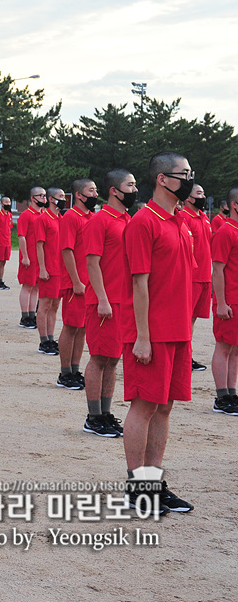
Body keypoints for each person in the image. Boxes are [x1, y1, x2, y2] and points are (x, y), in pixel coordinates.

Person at [121, 151, 196, 513]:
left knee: (164, 407)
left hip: (178, 329)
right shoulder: (144, 221)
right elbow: (140, 283)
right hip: (151, 332)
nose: (189, 179)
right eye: (183, 174)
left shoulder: (180, 219)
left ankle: (154, 481)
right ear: (163, 179)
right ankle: (137, 486)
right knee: (145, 405)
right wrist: (143, 335)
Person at [79, 169, 137, 436]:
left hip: (123, 302)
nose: (134, 190)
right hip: (103, 302)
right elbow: (92, 262)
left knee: (114, 360)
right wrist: (102, 299)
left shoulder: (128, 219)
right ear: (114, 190)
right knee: (99, 358)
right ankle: (93, 416)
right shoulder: (100, 220)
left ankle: (105, 412)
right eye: (130, 185)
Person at [56, 179, 97, 388]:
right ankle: (65, 373)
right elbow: (66, 250)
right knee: (71, 326)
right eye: (91, 190)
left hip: (89, 283)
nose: (95, 194)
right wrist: (76, 281)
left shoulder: (91, 217)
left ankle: (75, 368)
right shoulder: (71, 217)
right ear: (79, 195)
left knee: (82, 328)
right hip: (76, 283)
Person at [210, 188, 238, 415]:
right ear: (235, 205)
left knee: (235, 349)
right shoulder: (226, 231)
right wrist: (220, 303)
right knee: (223, 347)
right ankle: (222, 397)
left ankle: (231, 392)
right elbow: (217, 270)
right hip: (229, 299)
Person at [182, 185, 212, 372]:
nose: (203, 196)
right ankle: (185, 357)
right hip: (191, 277)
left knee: (192, 320)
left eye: (203, 192)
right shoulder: (185, 217)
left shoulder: (204, 217)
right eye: (199, 194)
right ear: (189, 198)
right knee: (185, 319)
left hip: (204, 277)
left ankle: (187, 355)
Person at [34, 188, 65, 356]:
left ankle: (50, 338)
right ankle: (43, 340)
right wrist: (43, 268)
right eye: (60, 196)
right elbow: (39, 245)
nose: (63, 199)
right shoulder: (43, 219)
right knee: (45, 305)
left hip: (60, 269)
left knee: (55, 305)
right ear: (52, 199)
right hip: (49, 269)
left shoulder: (61, 218)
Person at [17, 188, 45, 328]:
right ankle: (24, 316)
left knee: (36, 287)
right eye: (41, 196)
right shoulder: (26, 215)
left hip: (40, 258)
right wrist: (25, 256)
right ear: (33, 198)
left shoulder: (43, 214)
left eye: (45, 196)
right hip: (30, 256)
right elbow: (21, 236)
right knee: (27, 286)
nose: (44, 198)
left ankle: (32, 314)